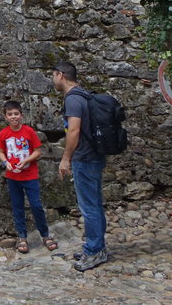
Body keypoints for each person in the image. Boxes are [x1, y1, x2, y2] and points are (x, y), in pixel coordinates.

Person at [53, 61, 108, 271]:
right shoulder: (84, 95)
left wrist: (66, 158)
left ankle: (94, 251)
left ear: (61, 75)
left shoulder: (73, 99)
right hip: (94, 155)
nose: (53, 80)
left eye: (53, 75)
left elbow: (74, 131)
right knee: (94, 204)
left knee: (89, 207)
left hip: (84, 158)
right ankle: (96, 247)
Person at [0, 99, 57, 254]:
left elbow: (38, 151)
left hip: (30, 176)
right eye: (10, 114)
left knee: (36, 206)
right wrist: (6, 162)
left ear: (21, 115)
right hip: (13, 177)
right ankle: (22, 236)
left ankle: (45, 234)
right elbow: (1, 152)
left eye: (16, 113)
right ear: (5, 117)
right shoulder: (4, 134)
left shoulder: (29, 132)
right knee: (17, 207)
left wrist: (26, 160)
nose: (13, 117)